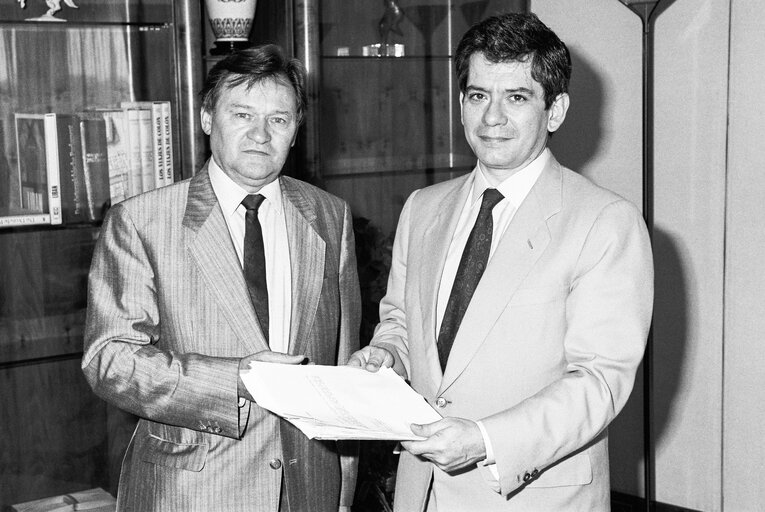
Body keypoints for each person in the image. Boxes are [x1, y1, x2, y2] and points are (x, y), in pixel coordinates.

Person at [348, 12, 654, 511]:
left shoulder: (605, 222)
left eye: (516, 97)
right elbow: (401, 321)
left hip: (532, 495)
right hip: (421, 492)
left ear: (554, 111)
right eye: (477, 95)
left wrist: (485, 438)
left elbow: (600, 382)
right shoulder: (423, 208)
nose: (492, 117)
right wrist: (387, 357)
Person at [82, 44, 360, 512]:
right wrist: (233, 379)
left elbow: (343, 359)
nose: (260, 135)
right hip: (193, 493)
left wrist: (343, 491)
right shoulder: (141, 221)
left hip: (308, 491)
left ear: (296, 130)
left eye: (279, 119)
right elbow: (110, 362)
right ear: (208, 118)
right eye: (242, 114)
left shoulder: (329, 216)